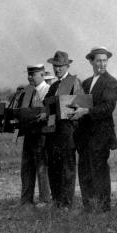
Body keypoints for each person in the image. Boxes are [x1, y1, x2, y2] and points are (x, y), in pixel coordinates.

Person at [70, 46, 117, 214]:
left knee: (99, 171)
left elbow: (108, 107)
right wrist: (74, 110)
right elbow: (81, 105)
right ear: (91, 61)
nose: (102, 64)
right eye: (98, 60)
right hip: (84, 135)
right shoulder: (86, 83)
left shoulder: (110, 82)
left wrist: (86, 111)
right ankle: (88, 207)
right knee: (84, 170)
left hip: (101, 135)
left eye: (104, 61)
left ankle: (103, 208)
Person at [40, 50, 83, 209]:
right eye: (55, 66)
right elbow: (46, 106)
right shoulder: (54, 85)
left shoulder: (74, 81)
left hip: (67, 132)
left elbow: (82, 106)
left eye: (60, 66)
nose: (57, 69)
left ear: (67, 66)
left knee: (67, 168)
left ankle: (66, 203)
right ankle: (57, 200)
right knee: (54, 167)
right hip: (52, 133)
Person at [19, 64, 51, 207]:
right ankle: (26, 200)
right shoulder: (27, 91)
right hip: (29, 133)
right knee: (26, 166)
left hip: (42, 134)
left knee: (41, 167)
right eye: (29, 74)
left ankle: (45, 199)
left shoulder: (48, 90)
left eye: (33, 74)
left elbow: (47, 113)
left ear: (43, 75)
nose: (30, 77)